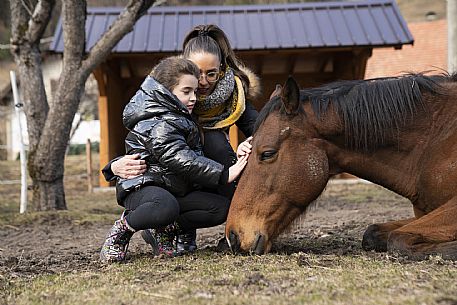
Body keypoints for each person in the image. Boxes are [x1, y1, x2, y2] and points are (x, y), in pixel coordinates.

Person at [102, 24, 259, 252]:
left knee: (214, 143)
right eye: (197, 72)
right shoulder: (167, 97)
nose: (203, 82)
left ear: (222, 69)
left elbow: (260, 127)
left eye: (212, 73)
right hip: (167, 176)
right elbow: (149, 140)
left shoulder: (233, 96)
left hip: (196, 176)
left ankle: (231, 228)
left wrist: (250, 143)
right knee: (166, 201)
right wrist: (114, 165)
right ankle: (152, 227)